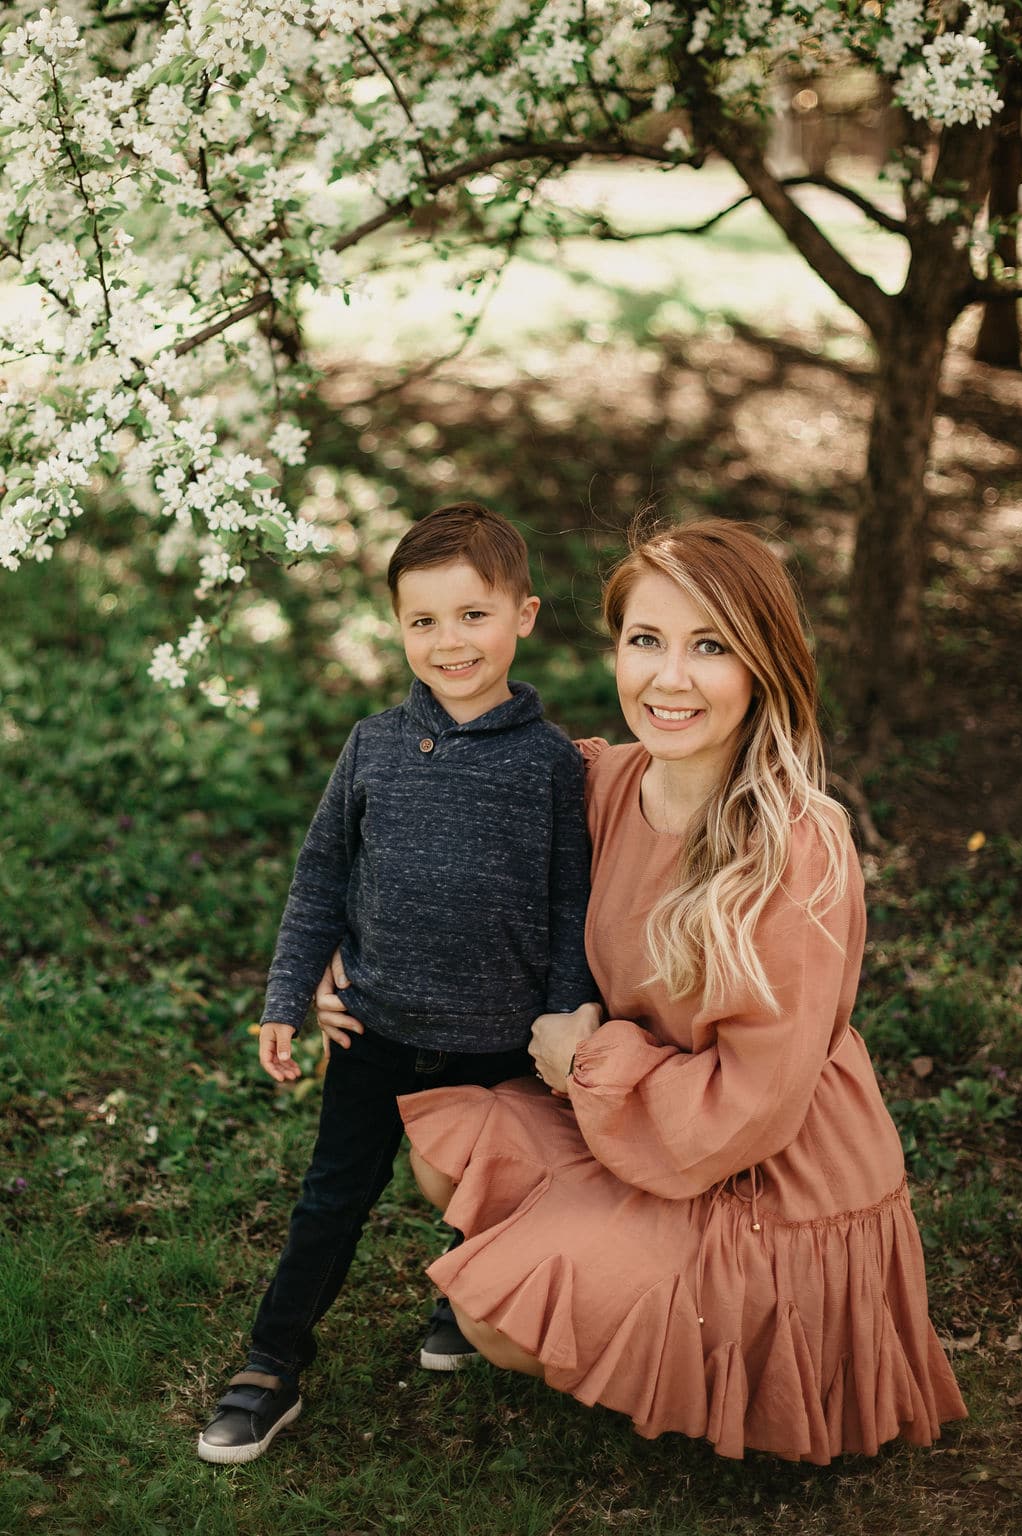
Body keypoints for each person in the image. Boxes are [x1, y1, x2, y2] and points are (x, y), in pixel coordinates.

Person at [318, 517, 967, 1464]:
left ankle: (692, 1351)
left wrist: (584, 1057)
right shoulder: (603, 780)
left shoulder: (794, 848)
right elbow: (442, 834)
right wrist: (345, 954)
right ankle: (593, 1291)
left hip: (764, 1176)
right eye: (645, 641)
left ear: (764, 664)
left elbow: (749, 1110)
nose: (669, 678)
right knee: (452, 1150)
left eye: (710, 646)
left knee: (497, 1321)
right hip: (635, 1122)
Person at [197, 501, 595, 1465]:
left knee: (488, 1190)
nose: (449, 641)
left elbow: (572, 906)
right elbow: (322, 874)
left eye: (473, 615)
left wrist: (563, 1022)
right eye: (423, 620)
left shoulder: (549, 767)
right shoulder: (373, 746)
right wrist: (289, 993)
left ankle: (471, 1301)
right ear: (397, 628)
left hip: (502, 1040)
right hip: (373, 1029)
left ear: (524, 616)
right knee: (333, 1198)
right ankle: (270, 1362)